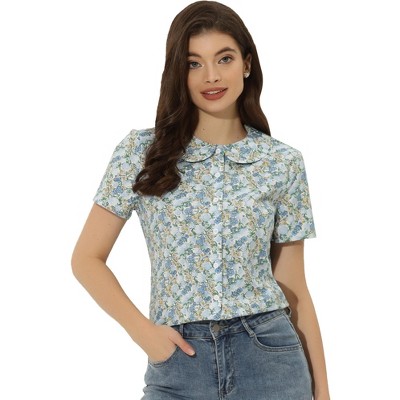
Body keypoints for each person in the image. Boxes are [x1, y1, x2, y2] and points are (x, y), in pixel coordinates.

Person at [71, 1, 330, 399]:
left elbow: (294, 287)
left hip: (270, 359)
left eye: (224, 59)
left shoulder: (281, 162)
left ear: (246, 64)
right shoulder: (141, 153)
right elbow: (86, 259)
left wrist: (323, 393)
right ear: (178, 72)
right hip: (178, 362)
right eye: (193, 63)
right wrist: (146, 335)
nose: (211, 76)